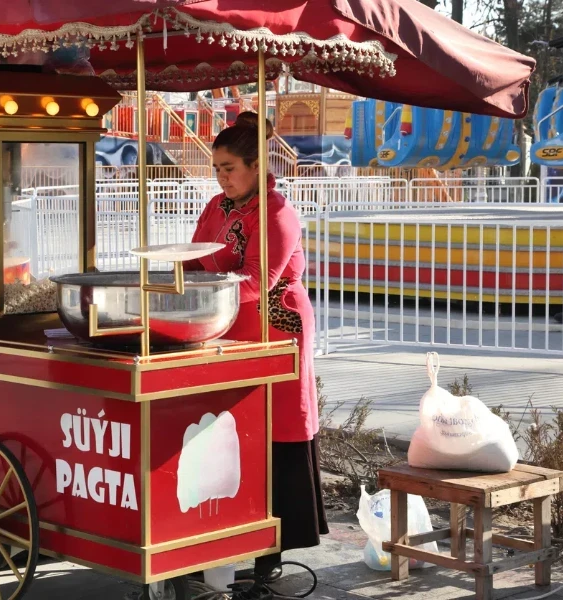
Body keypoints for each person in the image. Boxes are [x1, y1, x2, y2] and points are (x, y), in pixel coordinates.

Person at [184, 111, 327, 599]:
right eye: (216, 167)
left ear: (254, 165)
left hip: (274, 326)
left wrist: (203, 285)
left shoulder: (277, 212)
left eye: (228, 167)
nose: (220, 176)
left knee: (274, 432)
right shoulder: (217, 206)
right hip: (227, 326)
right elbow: (195, 250)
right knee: (229, 430)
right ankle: (213, 539)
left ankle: (269, 558)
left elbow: (258, 279)